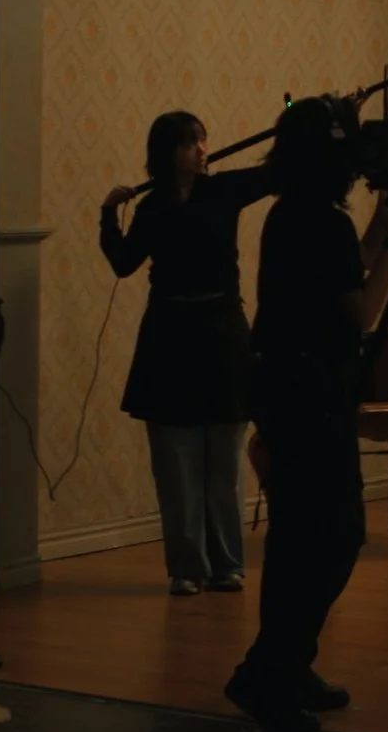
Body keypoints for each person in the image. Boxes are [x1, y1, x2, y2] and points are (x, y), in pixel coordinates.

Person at [224, 96, 388, 732]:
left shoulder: (289, 214)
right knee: (330, 536)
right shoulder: (323, 221)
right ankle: (268, 671)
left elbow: (342, 269)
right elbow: (360, 308)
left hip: (285, 386)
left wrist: (379, 236)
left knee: (298, 539)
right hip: (312, 393)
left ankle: (285, 665)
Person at [100, 111, 273, 597]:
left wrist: (309, 122)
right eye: (189, 142)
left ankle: (227, 565)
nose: (201, 149)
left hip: (222, 332)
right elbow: (123, 262)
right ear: (166, 153)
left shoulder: (224, 190)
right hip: (170, 335)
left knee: (223, 457)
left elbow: (275, 172)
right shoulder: (153, 207)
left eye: (203, 140)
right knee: (176, 461)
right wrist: (108, 215)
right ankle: (185, 567)